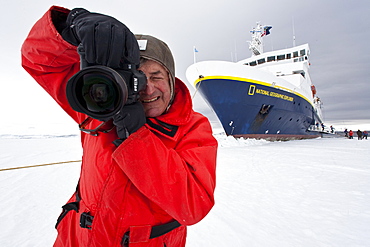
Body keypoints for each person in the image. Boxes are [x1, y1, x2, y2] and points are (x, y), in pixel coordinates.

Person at [21, 6, 218, 247]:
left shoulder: (192, 127)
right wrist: (70, 26)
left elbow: (193, 205)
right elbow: (37, 60)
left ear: (172, 81)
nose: (147, 88)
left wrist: (137, 138)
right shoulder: (97, 107)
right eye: (136, 76)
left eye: (156, 76)